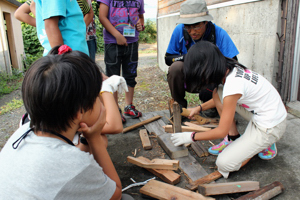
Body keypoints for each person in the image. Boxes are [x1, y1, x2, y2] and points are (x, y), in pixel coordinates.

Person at [0, 45, 133, 199]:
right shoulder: (76, 166)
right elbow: (115, 193)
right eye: (97, 96)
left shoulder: (22, 133)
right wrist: (95, 138)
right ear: (79, 112)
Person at [170, 41, 287, 178]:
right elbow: (222, 98)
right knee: (217, 92)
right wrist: (199, 108)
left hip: (271, 126)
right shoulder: (231, 68)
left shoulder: (233, 85)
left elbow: (221, 131)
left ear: (205, 69)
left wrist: (191, 136)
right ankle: (234, 138)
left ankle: (261, 144)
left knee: (224, 164)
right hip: (265, 112)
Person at [165, 0, 239, 116]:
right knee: (175, 68)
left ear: (205, 22)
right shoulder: (179, 31)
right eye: (188, 27)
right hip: (190, 79)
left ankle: (212, 104)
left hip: (211, 81)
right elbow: (168, 58)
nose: (192, 32)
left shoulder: (219, 34)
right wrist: (188, 57)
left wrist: (213, 80)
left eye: (197, 27)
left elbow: (233, 63)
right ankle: (179, 108)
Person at [98, 0, 145, 123]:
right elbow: (102, 17)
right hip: (112, 43)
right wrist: (116, 35)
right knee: (113, 77)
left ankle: (128, 105)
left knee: (130, 75)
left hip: (132, 43)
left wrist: (141, 24)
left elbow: (140, 17)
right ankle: (114, 109)